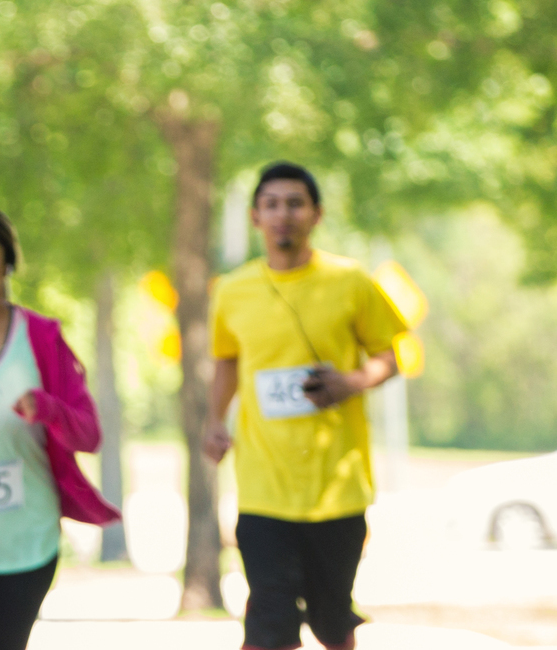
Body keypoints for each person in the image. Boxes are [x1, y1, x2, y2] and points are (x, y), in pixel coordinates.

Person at [204, 162, 406, 650]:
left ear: (316, 214)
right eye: (271, 205)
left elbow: (390, 356)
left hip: (335, 484)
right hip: (262, 485)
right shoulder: (233, 291)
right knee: (269, 614)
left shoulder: (350, 281)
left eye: (295, 203)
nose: (283, 215)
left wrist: (352, 381)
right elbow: (227, 362)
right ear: (255, 217)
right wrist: (214, 421)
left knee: (332, 620)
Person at [0, 203, 119, 650]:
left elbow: (90, 434)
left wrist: (47, 409)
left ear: (8, 262)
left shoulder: (40, 336)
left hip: (27, 540)